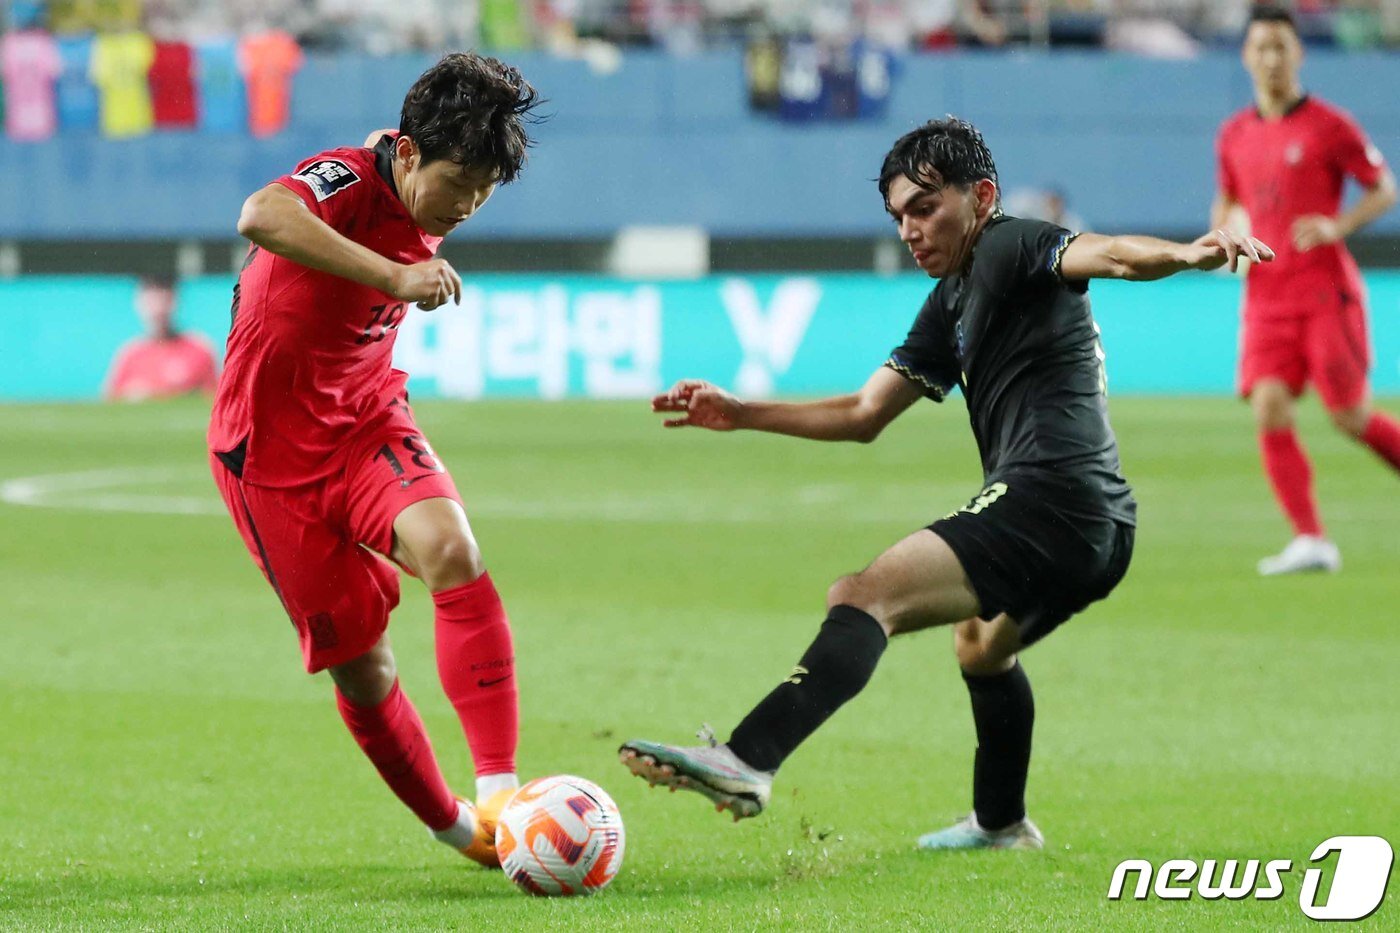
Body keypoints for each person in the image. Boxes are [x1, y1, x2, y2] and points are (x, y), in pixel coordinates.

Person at [620, 117, 1272, 850]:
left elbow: (1112, 255)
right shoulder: (950, 300)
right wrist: (741, 412)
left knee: (864, 594)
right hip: (1102, 525)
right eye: (899, 215)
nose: (910, 229)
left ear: (981, 196)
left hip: (1051, 497)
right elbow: (865, 412)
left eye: (925, 207)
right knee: (981, 645)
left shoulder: (1010, 243)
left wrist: (1187, 252)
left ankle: (747, 756)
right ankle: (1001, 822)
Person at [207, 53, 541, 866]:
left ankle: (501, 789)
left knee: (453, 547)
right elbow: (260, 213)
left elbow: (415, 182)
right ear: (409, 155)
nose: (465, 207)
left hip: (364, 419)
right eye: (458, 182)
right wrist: (394, 274)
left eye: (484, 191)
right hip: (269, 456)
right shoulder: (351, 176)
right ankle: (459, 826)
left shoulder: (418, 172)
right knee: (364, 667)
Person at [1213, 4, 1400, 576]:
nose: (1271, 57)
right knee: (1269, 407)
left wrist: (1336, 226)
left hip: (1324, 293)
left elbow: (1382, 188)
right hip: (1267, 295)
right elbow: (1227, 201)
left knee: (1349, 416)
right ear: (1246, 56)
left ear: (1298, 54)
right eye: (1260, 47)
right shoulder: (1234, 135)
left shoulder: (1330, 125)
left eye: (1281, 47)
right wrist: (1224, 238)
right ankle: (1311, 539)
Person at [105, 276, 218, 402]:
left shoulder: (199, 349)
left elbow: (215, 398)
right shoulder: (129, 354)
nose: (158, 308)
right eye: (151, 301)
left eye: (164, 300)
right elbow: (110, 402)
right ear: (139, 304)